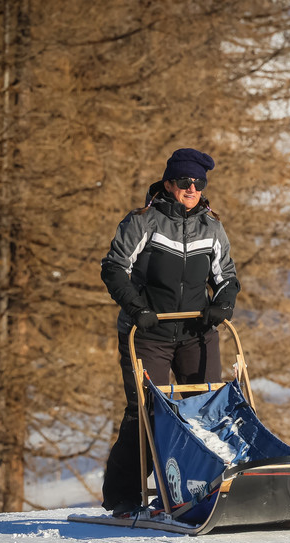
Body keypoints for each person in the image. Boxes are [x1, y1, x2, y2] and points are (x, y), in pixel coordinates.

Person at [100, 148, 240, 516]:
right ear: (169, 183)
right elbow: (114, 268)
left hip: (197, 332)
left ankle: (207, 486)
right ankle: (124, 497)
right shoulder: (142, 222)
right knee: (146, 412)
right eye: (184, 182)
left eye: (198, 183)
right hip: (149, 333)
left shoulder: (212, 227)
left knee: (206, 407)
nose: (192, 188)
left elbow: (227, 277)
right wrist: (138, 308)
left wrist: (223, 305)